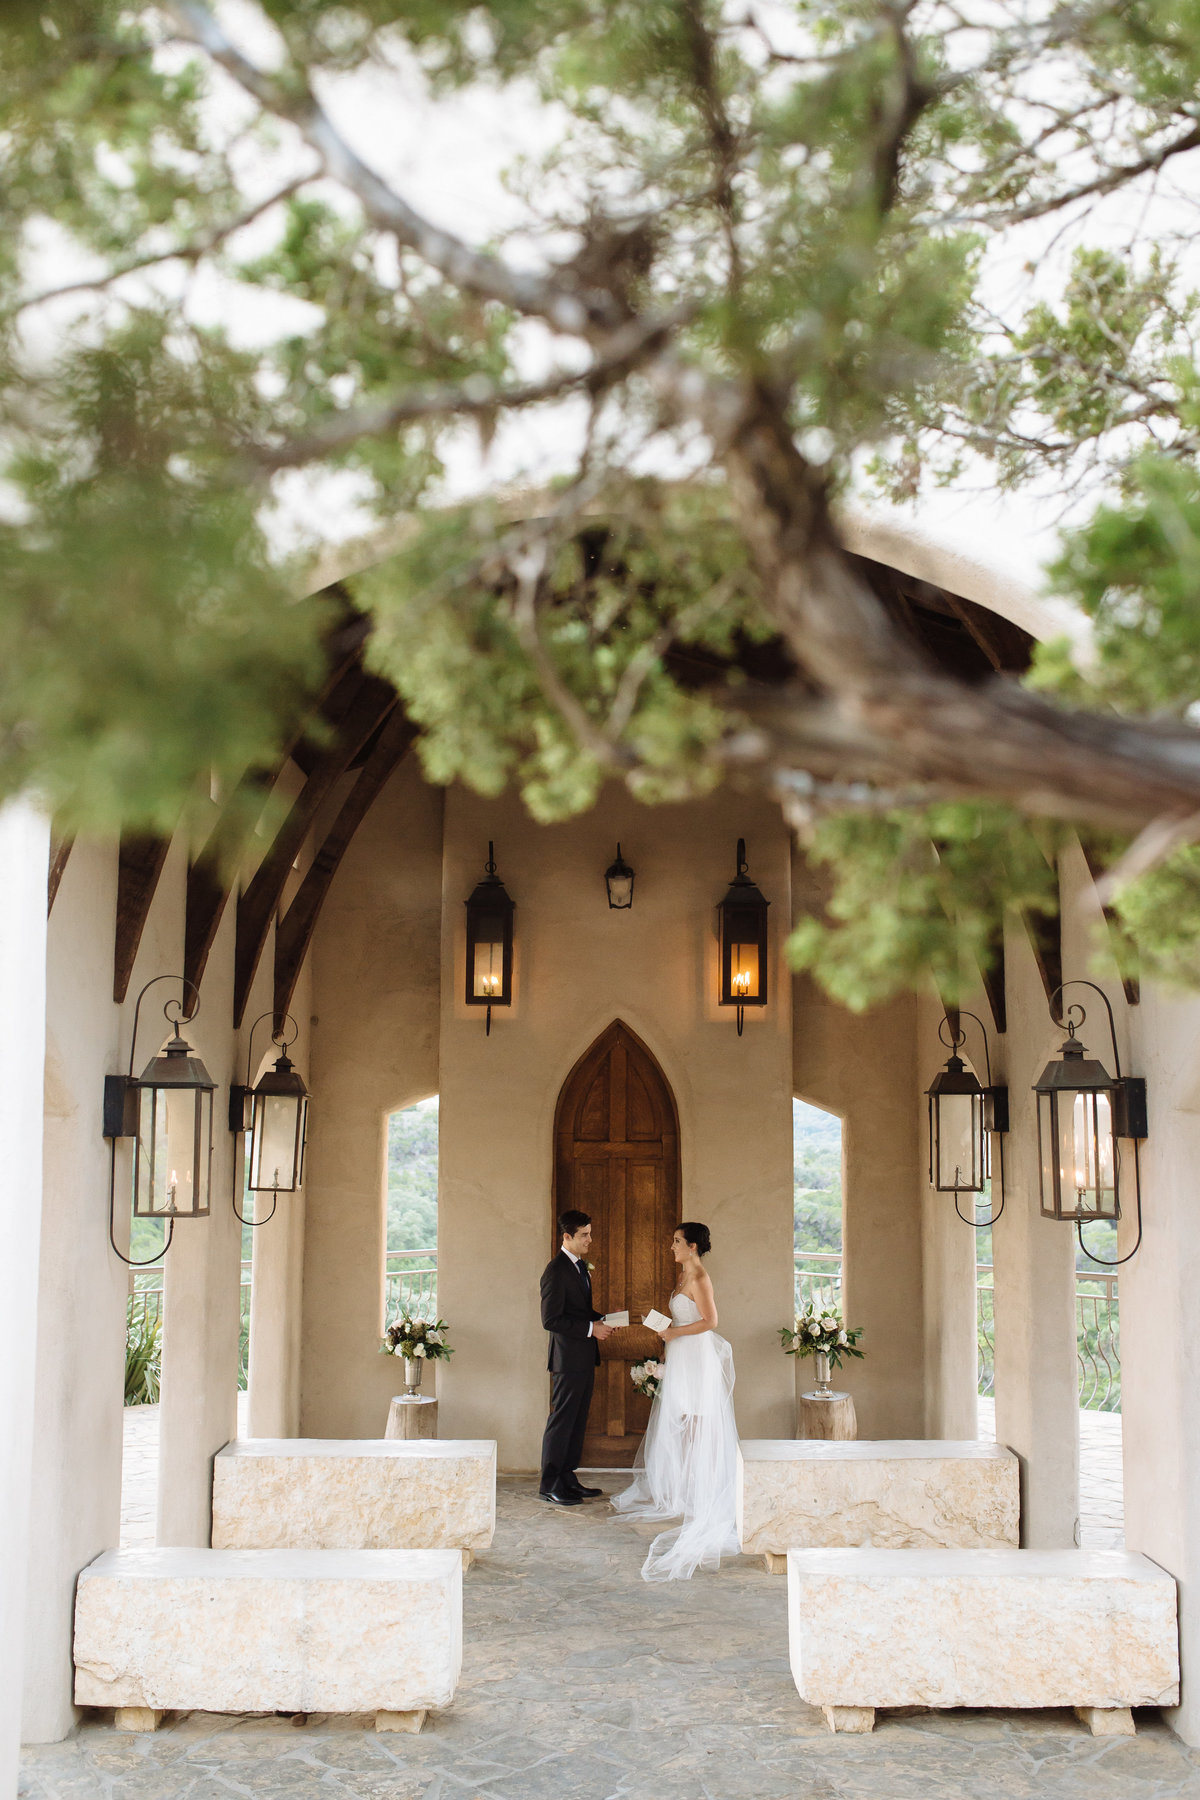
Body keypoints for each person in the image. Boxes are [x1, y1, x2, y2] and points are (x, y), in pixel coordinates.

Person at [610, 1221, 739, 1581]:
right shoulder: (683, 1276)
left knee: (697, 1423)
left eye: (678, 1242)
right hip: (680, 1356)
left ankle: (702, 1492)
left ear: (694, 1247)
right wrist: (667, 1345)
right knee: (682, 1422)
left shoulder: (699, 1278)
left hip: (697, 1358)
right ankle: (682, 1490)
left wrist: (674, 1333)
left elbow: (711, 1321)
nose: (672, 1247)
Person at [539, 1209, 615, 1506]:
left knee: (577, 1421)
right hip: (567, 1360)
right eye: (584, 1235)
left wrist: (603, 1319)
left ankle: (567, 1478)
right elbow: (551, 1319)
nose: (590, 1239)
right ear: (567, 1237)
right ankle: (550, 1483)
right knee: (562, 1421)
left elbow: (579, 1311)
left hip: (583, 1358)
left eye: (589, 1233)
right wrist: (590, 1329)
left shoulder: (580, 1267)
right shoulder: (556, 1270)